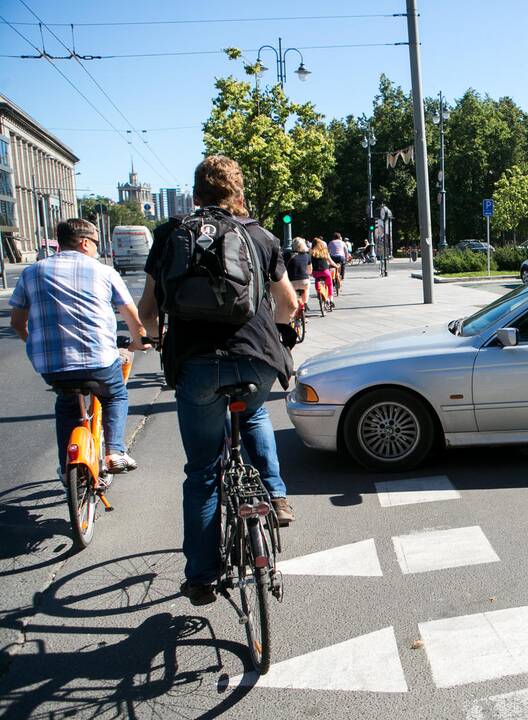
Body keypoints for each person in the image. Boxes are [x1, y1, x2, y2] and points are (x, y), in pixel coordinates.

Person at [137, 155, 298, 607]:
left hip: (196, 364)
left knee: (204, 472)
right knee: (256, 411)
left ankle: (203, 576)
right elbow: (287, 304)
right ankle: (277, 496)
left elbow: (149, 310)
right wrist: (282, 335)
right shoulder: (260, 235)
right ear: (238, 192)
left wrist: (152, 338)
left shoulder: (172, 234)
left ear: (196, 194)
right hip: (255, 359)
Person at [9, 218, 149, 476]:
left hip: (52, 366)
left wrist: (36, 346)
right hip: (99, 361)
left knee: (67, 403)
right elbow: (131, 317)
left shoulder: (32, 272)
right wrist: (140, 340)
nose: (97, 248)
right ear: (85, 243)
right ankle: (115, 451)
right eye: (96, 242)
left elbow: (17, 323)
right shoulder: (104, 272)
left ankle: (66, 467)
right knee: (115, 394)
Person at [309, 238, 339, 305]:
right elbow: (330, 262)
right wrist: (337, 266)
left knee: (317, 280)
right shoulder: (324, 251)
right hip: (325, 271)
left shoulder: (311, 252)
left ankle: (319, 292)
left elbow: (309, 263)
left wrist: (310, 272)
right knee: (330, 284)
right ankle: (330, 299)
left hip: (315, 272)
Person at [286, 237, 312, 304]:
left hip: (291, 282)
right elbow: (310, 271)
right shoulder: (307, 256)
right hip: (304, 281)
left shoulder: (287, 255)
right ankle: (305, 304)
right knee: (306, 289)